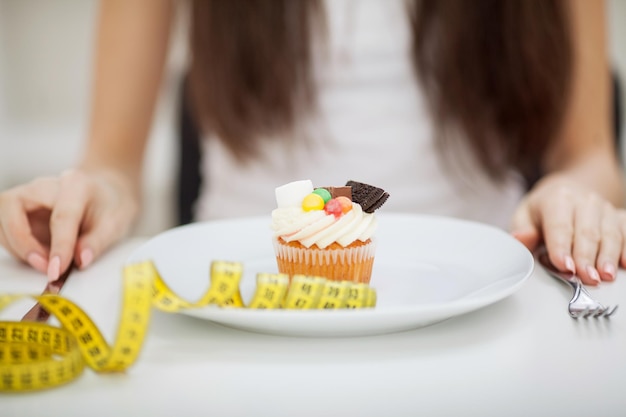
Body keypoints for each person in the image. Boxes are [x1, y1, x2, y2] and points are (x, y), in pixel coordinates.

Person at [0, 0, 624, 287]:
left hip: (482, 295)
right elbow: (112, 162)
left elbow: (588, 158)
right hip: (243, 304)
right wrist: (94, 193)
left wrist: (572, 196)